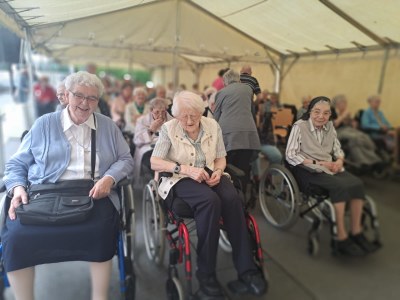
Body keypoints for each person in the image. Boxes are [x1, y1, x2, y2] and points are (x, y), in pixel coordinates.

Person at [1, 71, 134, 300]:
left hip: (92, 192)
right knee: (16, 237)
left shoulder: (108, 126)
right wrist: (18, 188)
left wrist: (109, 178)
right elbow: (16, 164)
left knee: (101, 231)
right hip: (44, 193)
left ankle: (99, 297)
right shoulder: (44, 124)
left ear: (98, 101)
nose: (85, 103)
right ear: (67, 95)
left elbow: (126, 159)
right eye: (79, 95)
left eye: (92, 98)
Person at [150, 91, 267, 299]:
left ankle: (247, 270)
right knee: (210, 201)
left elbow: (221, 157)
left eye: (193, 115)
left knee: (232, 199)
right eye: (183, 116)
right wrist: (185, 169)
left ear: (201, 111)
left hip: (211, 173)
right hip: (180, 178)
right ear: (176, 115)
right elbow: (155, 162)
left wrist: (220, 172)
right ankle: (206, 276)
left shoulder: (213, 126)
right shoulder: (169, 129)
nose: (189, 120)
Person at [286, 96, 380, 256]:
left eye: (326, 113)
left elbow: (337, 149)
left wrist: (340, 160)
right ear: (310, 112)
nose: (321, 116)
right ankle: (340, 237)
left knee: (357, 184)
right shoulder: (299, 126)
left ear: (330, 115)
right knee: (339, 187)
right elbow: (290, 155)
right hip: (307, 169)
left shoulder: (329, 126)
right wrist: (319, 162)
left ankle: (356, 231)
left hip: (330, 167)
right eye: (317, 112)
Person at [214, 69, 260, 195]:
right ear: (238, 79)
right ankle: (242, 197)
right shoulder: (248, 90)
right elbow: (252, 111)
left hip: (228, 136)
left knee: (227, 167)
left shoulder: (221, 93)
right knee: (244, 168)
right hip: (248, 135)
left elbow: (216, 116)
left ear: (225, 82)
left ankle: (229, 195)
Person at [332, 94, 381, 168]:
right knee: (355, 138)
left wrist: (351, 122)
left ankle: (372, 158)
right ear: (337, 104)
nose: (345, 104)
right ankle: (365, 161)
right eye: (342, 103)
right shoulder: (333, 112)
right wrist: (343, 116)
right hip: (337, 132)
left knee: (364, 136)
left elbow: (347, 124)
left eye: (345, 103)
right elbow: (334, 125)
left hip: (347, 130)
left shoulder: (344, 112)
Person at [133, 97, 172, 183]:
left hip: (167, 149)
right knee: (152, 161)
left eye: (163, 112)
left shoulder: (172, 120)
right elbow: (137, 140)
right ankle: (154, 183)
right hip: (149, 149)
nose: (161, 115)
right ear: (151, 110)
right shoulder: (142, 120)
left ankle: (165, 183)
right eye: (157, 112)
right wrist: (151, 130)